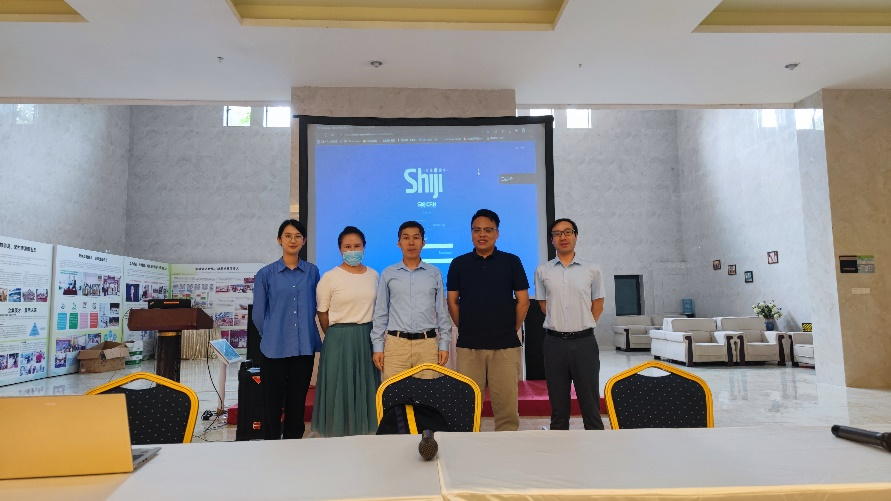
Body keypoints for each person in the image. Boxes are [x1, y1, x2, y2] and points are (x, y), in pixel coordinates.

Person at [447, 209, 529, 431]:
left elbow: (523, 301)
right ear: (471, 233)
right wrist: (465, 327)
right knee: (467, 408)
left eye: (488, 230)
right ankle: (467, 448)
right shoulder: (459, 263)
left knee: (506, 410)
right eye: (477, 230)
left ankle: (506, 448)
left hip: (505, 346)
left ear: (497, 233)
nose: (482, 235)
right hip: (469, 347)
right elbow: (452, 302)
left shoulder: (511, 261)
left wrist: (510, 329)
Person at [252, 219, 321, 440]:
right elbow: (258, 315)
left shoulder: (312, 272)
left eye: (298, 236)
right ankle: (272, 446)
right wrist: (272, 335)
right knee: (271, 404)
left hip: (303, 348)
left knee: (297, 403)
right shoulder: (265, 274)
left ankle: (294, 446)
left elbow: (315, 307)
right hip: (274, 349)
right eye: (288, 236)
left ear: (304, 241)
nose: (293, 240)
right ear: (279, 240)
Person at [534, 218, 605, 431]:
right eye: (557, 234)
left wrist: (581, 325)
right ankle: (560, 449)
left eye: (567, 232)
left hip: (584, 343)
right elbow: (544, 305)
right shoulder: (542, 271)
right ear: (551, 240)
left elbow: (598, 304)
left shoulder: (592, 269)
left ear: (576, 236)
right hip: (554, 344)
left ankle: (596, 447)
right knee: (558, 409)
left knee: (591, 407)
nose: (562, 237)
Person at [311, 226, 380, 437]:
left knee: (365, 387)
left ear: (364, 247)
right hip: (338, 338)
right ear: (340, 249)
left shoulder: (374, 275)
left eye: (357, 246)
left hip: (366, 338)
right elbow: (322, 312)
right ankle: (337, 436)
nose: (352, 250)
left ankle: (365, 435)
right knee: (337, 387)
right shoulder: (330, 277)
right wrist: (336, 333)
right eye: (347, 246)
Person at [371, 221, 452, 381]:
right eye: (406, 238)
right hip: (396, 346)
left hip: (427, 346)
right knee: (394, 394)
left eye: (416, 237)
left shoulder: (434, 273)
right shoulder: (388, 273)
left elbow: (442, 312)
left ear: (423, 242)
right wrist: (378, 347)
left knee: (427, 395)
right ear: (399, 243)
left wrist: (444, 345)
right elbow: (380, 313)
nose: (411, 242)